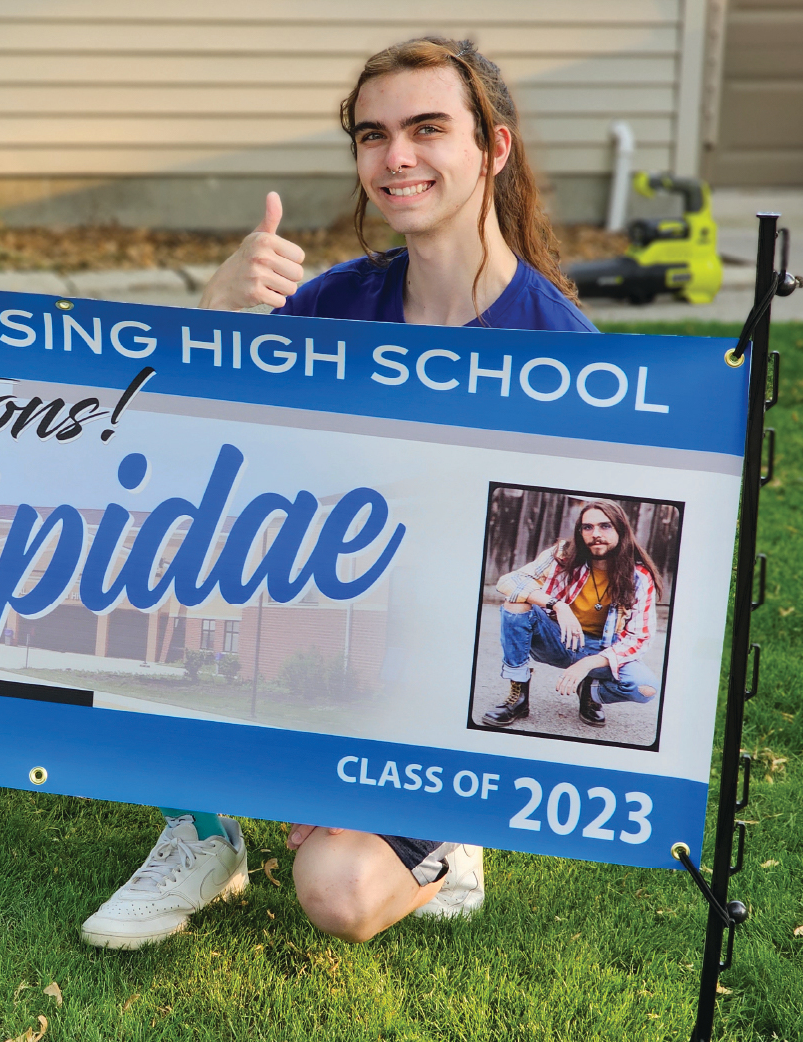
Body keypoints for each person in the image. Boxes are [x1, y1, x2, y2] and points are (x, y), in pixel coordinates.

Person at [79, 36, 598, 951]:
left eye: (427, 128)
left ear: (495, 149)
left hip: (446, 682)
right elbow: (175, 435)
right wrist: (214, 316)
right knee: (153, 526)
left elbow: (553, 582)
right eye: (373, 134)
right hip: (325, 627)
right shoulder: (332, 305)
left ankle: (456, 822)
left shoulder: (568, 356)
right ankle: (203, 830)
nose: (396, 157)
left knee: (340, 893)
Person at [483, 500, 663, 730]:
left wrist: (587, 664)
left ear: (621, 530)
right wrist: (557, 605)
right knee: (515, 604)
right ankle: (518, 696)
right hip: (557, 640)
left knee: (644, 688)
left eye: (605, 526)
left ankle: (590, 691)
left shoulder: (638, 576)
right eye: (587, 527)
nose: (595, 534)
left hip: (600, 652)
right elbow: (508, 581)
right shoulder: (562, 555)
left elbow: (639, 638)